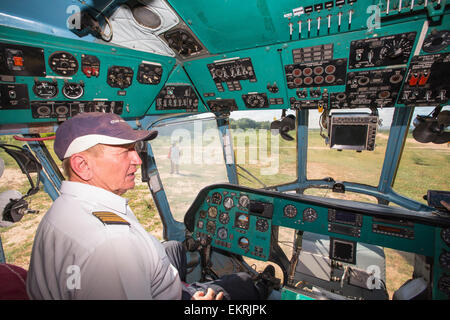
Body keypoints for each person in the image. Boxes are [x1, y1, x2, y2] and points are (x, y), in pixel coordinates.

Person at [26, 112, 274, 300]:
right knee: (238, 283)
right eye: (124, 151)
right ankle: (263, 286)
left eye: (135, 149)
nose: (137, 159)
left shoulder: (62, 209)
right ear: (82, 165)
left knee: (176, 247)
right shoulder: (113, 245)